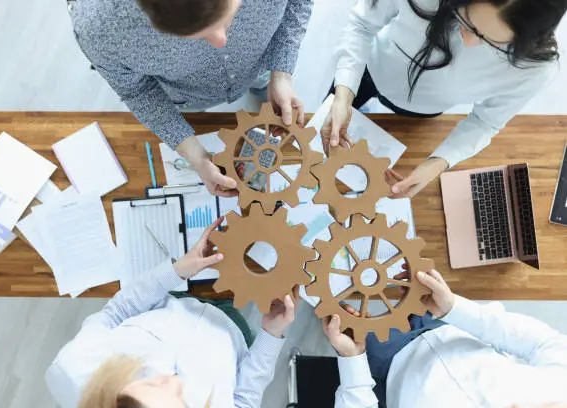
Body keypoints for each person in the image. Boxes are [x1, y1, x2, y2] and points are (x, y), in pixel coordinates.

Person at [322, 0, 566, 198]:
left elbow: (485, 122)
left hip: (423, 107)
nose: (469, 42)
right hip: (367, 69)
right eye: (464, 21)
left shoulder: (533, 69)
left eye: (493, 43)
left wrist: (435, 165)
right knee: (327, 128)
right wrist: (343, 96)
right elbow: (362, 25)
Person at [45, 217, 298, 408]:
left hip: (172, 300)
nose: (178, 382)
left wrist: (177, 271)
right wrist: (271, 333)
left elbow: (118, 312)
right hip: (232, 333)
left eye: (151, 382)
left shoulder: (75, 365)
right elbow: (243, 401)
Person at [70, 0, 312, 198]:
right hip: (189, 97)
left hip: (262, 69)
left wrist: (281, 72)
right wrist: (195, 156)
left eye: (231, 14)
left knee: (263, 88)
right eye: (196, 36)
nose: (221, 41)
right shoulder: (101, 28)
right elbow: (137, 90)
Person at [322, 267, 567, 408]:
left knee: (324, 302)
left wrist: (352, 358)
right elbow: (542, 343)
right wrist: (453, 308)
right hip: (447, 323)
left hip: (388, 365)